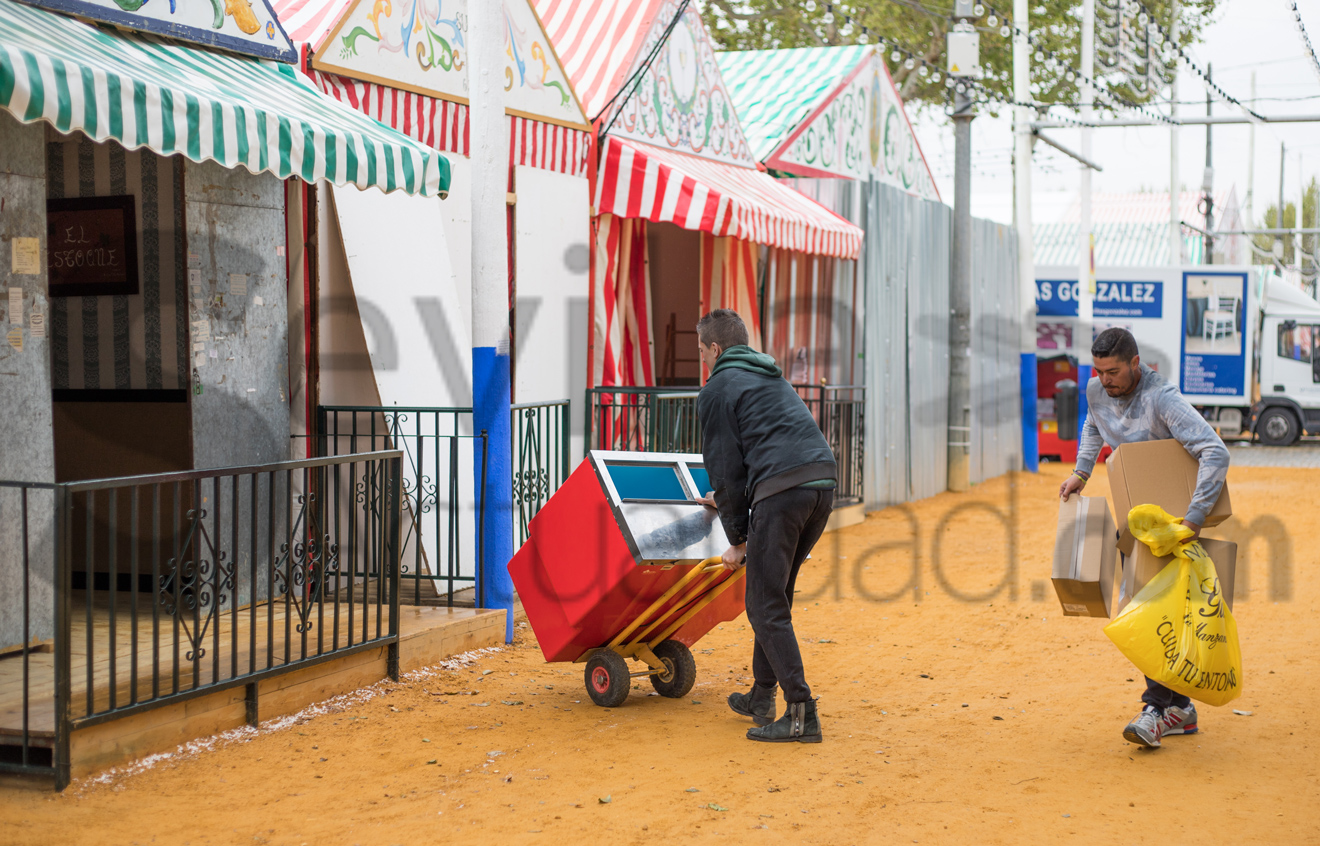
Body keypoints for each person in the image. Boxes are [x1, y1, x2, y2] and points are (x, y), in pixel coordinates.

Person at [1060, 327, 1230, 749]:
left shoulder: (1163, 398)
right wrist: (1082, 471)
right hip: (1134, 522)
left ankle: (1155, 709)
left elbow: (1215, 451)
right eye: (1098, 372)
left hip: (1174, 529)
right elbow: (1092, 421)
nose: (1104, 381)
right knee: (1154, 615)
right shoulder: (1097, 390)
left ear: (1136, 363)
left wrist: (1192, 519)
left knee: (1152, 615)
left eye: (1113, 371)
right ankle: (1181, 707)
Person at [693, 309, 837, 744]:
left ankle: (800, 713)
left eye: (701, 351)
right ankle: (761, 695)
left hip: (783, 491)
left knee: (762, 603)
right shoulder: (770, 376)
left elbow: (727, 470)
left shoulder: (718, 387)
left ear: (715, 349)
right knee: (775, 595)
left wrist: (738, 539)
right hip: (821, 482)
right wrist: (735, 505)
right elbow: (766, 442)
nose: (702, 360)